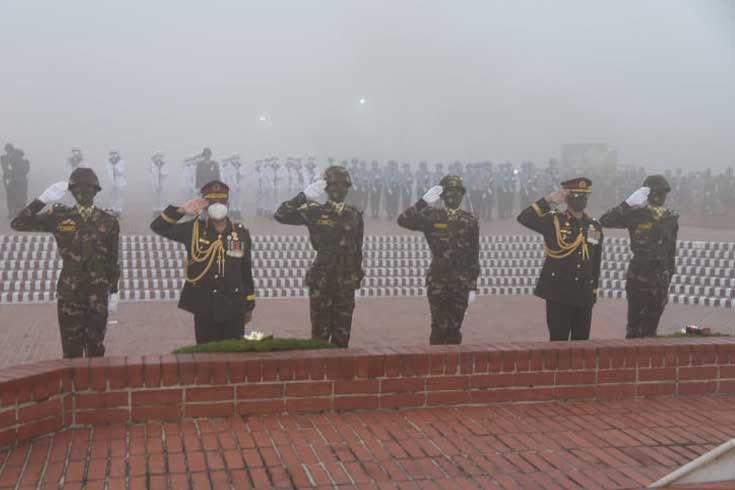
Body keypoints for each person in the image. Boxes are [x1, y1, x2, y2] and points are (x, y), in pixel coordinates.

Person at [11, 168, 120, 358]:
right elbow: (18, 223)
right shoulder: (59, 217)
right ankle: (73, 388)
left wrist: (114, 291)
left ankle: (93, 388)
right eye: (78, 189)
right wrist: (41, 200)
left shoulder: (108, 221)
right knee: (71, 351)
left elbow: (112, 260)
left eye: (89, 189)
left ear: (96, 191)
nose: (84, 193)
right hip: (70, 295)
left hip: (97, 294)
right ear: (72, 192)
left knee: (96, 349)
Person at [150, 180, 256, 344]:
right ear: (204, 205)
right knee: (206, 356)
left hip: (233, 306)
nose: (217, 205)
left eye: (221, 201)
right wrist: (182, 210)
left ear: (228, 203)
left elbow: (245, 270)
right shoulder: (193, 230)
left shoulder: (241, 233)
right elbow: (158, 227)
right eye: (212, 202)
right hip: (205, 306)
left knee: (234, 354)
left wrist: (249, 305)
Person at [274, 166, 365, 347]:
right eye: (334, 185)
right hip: (322, 280)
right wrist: (303, 197)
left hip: (346, 281)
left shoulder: (354, 215)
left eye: (343, 185)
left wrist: (356, 277)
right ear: (326, 188)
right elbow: (280, 215)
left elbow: (358, 249)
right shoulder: (315, 212)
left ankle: (339, 375)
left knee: (342, 336)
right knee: (319, 337)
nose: (339, 189)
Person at [517, 177, 603, 341]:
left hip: (584, 293)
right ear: (567, 198)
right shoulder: (554, 220)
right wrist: (548, 200)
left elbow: (595, 260)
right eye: (577, 196)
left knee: (582, 343)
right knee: (558, 341)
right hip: (559, 292)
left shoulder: (594, 225)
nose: (582, 200)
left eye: (585, 196)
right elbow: (524, 218)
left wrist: (593, 290)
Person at [397, 175, 480, 344]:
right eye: (449, 193)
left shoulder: (470, 220)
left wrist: (472, 286)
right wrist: (423, 202)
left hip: (461, 281)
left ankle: (450, 367)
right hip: (438, 280)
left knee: (455, 329)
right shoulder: (432, 216)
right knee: (438, 327)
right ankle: (436, 366)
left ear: (462, 195)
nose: (453, 196)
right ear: (442, 197)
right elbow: (403, 220)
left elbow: (473, 255)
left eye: (457, 193)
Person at [600, 175, 678, 338]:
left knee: (652, 327)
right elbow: (605, 220)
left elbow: (671, 250)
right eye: (658, 192)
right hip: (640, 277)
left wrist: (669, 274)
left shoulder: (670, 219)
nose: (662, 196)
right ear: (647, 193)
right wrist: (627, 204)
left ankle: (648, 362)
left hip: (661, 279)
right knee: (635, 328)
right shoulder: (636, 214)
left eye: (664, 193)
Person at [2, 144, 30, 218]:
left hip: (21, 182)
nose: (16, 157)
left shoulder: (25, 162)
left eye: (18, 155)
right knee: (11, 198)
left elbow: (25, 171)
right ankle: (12, 211)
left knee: (21, 197)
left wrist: (12, 172)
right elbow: (6, 172)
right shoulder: (10, 162)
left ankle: (19, 211)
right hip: (14, 182)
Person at [106, 149, 127, 217]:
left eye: (115, 153)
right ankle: (113, 211)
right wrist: (112, 182)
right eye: (112, 154)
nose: (113, 155)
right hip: (111, 182)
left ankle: (119, 211)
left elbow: (121, 172)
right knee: (112, 197)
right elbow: (108, 172)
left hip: (120, 182)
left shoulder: (121, 162)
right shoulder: (107, 162)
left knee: (119, 197)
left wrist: (114, 167)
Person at [150, 151, 168, 215]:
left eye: (160, 156)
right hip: (154, 182)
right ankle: (155, 210)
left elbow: (166, 173)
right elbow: (151, 174)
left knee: (162, 196)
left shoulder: (164, 164)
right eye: (157, 156)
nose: (158, 158)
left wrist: (160, 171)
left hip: (162, 182)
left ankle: (162, 210)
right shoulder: (151, 164)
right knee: (154, 196)